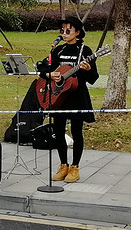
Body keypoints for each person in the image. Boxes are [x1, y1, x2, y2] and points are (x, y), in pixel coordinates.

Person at [37, 16, 98, 183]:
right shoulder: (58, 50)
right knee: (58, 131)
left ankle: (74, 167)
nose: (64, 34)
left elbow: (94, 77)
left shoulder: (85, 51)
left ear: (77, 32)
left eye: (68, 31)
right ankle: (63, 165)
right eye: (62, 31)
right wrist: (49, 74)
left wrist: (86, 69)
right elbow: (42, 66)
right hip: (58, 95)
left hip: (77, 96)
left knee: (77, 131)